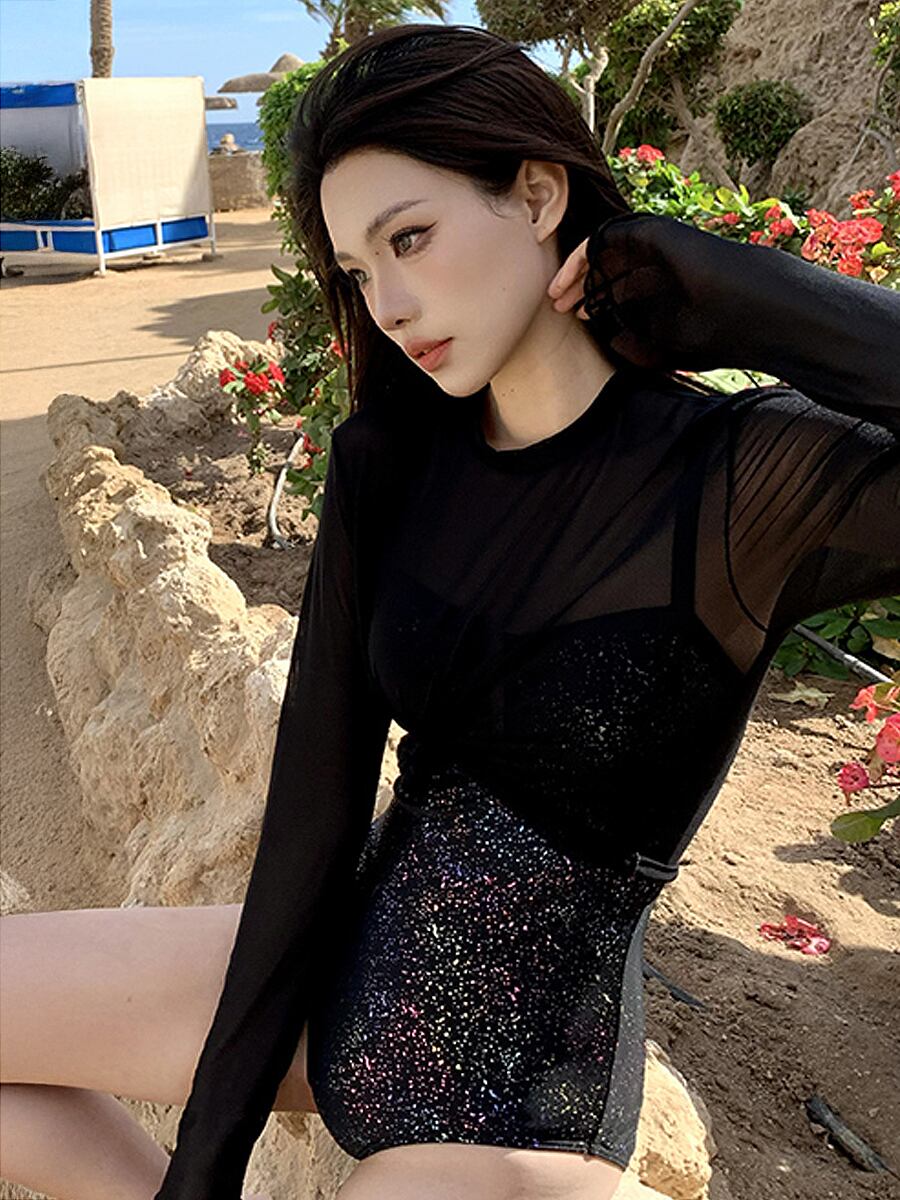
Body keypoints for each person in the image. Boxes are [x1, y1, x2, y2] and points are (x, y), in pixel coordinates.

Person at [2, 22, 898, 1200]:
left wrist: (753, 299)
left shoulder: (743, 485)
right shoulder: (389, 460)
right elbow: (313, 819)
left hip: (514, 1105)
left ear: (538, 195)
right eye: (358, 271)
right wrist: (200, 1168)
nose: (388, 303)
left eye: (409, 239)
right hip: (346, 970)